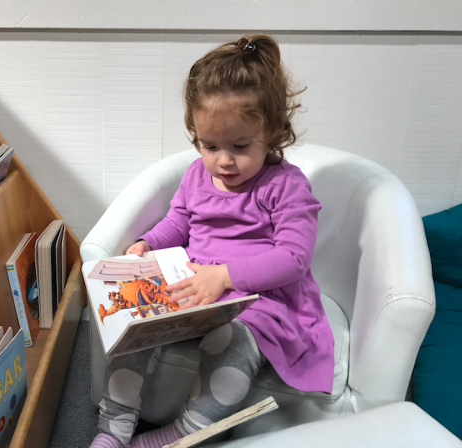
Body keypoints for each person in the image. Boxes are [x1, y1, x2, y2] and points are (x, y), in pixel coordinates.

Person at [89, 34, 335, 448]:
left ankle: (183, 433)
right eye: (209, 145)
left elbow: (293, 258)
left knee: (231, 345)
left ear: (273, 131)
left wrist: (223, 276)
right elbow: (178, 221)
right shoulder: (196, 175)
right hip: (194, 287)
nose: (223, 160)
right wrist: (148, 244)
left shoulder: (286, 186)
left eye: (240, 146)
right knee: (132, 327)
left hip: (258, 300)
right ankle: (113, 428)